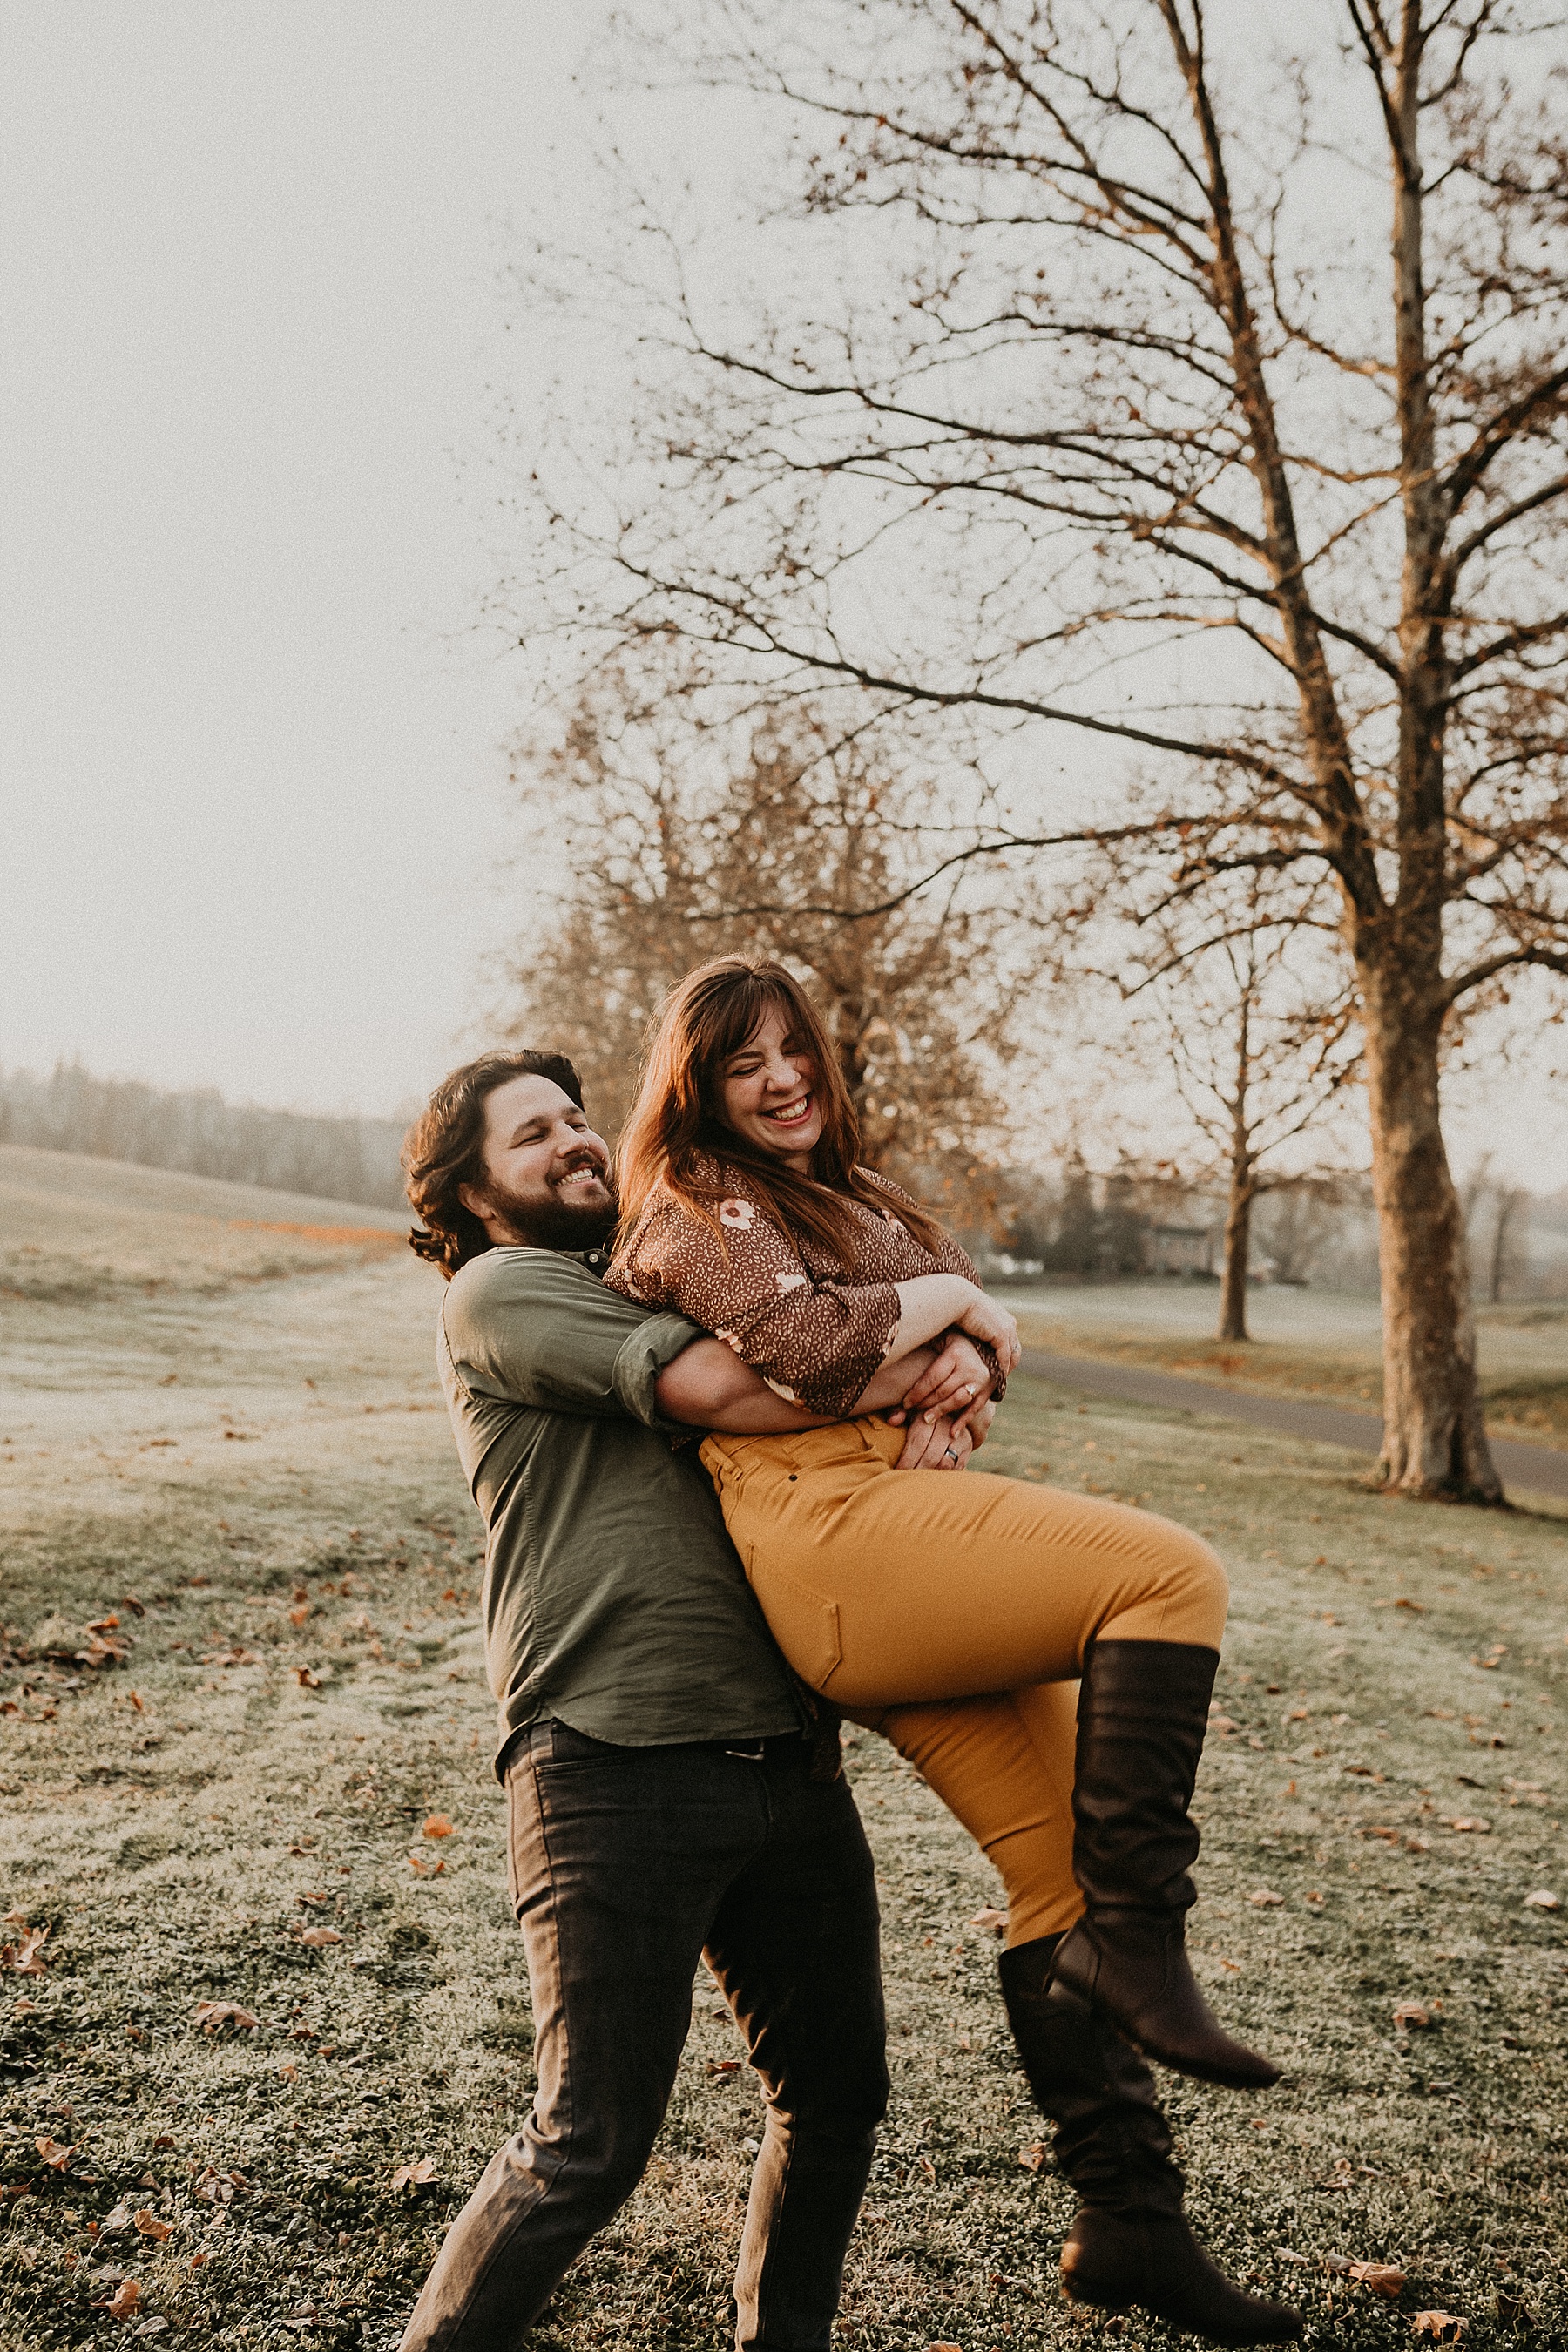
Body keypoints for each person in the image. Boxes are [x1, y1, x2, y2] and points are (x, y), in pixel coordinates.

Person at [606, 956, 1303, 2345]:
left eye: (794, 1049)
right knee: (1169, 1574)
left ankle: (1129, 2221)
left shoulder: (848, 1196)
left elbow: (970, 1319)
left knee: (1058, 1873)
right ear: (698, 1088)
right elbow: (812, 1348)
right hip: (832, 1542)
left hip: (900, 1520)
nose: (782, 1079)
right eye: (743, 1063)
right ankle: (1140, 1945)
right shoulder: (694, 1198)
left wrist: (968, 1349)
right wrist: (950, 1315)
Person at [394, 1047, 979, 2352]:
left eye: (576, 1117)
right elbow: (735, 1389)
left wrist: (954, 1370)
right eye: (531, 1135)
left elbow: (822, 1349)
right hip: (613, 1758)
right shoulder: (501, 1291)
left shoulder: (669, 1272)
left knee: (836, 2098)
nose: (575, 1140)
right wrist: (948, 1338)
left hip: (788, 1756)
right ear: (472, 1194)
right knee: (588, 2141)